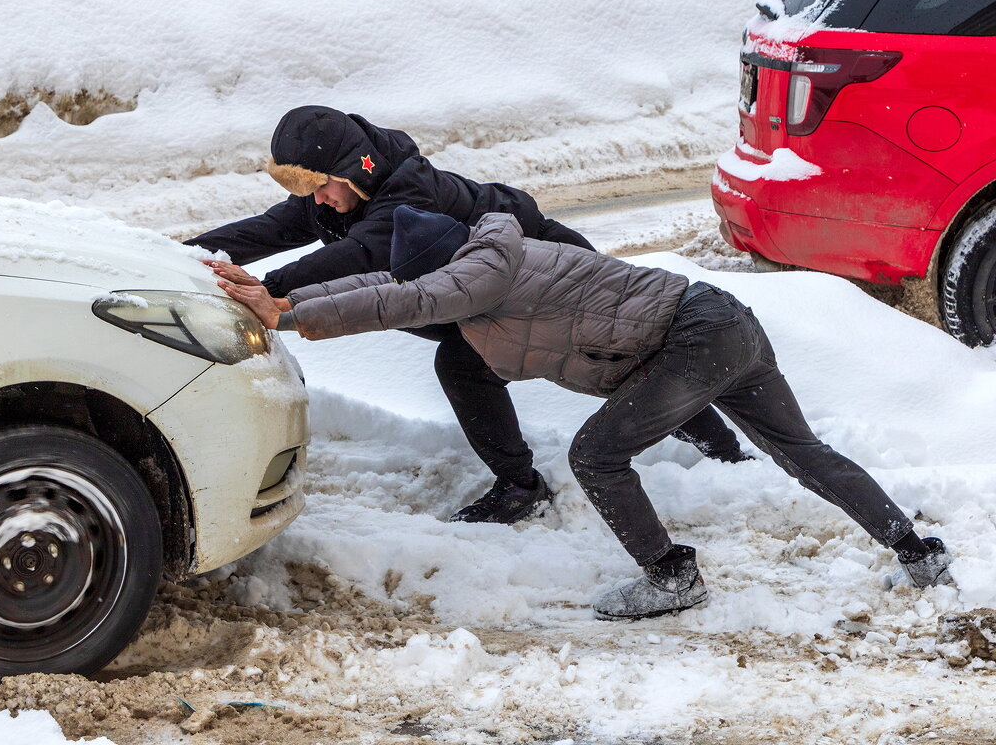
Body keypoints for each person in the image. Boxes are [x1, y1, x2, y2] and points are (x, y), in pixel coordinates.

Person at [217, 205, 954, 620]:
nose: (439, 291)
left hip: (692, 339)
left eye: (439, 281)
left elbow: (407, 297)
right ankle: (917, 553)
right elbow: (393, 281)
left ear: (452, 268)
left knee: (595, 456)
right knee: (806, 455)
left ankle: (671, 577)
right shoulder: (484, 254)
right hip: (722, 325)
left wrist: (283, 317)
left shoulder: (482, 269)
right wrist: (282, 300)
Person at [191, 105, 750, 524]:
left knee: (619, 361)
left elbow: (364, 252)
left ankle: (713, 459)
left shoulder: (406, 193)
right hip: (483, 301)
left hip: (549, 278)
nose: (315, 201)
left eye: (320, 186)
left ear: (352, 168)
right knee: (503, 365)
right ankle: (537, 483)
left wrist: (269, 290)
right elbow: (265, 229)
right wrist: (187, 257)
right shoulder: (340, 191)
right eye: (305, 190)